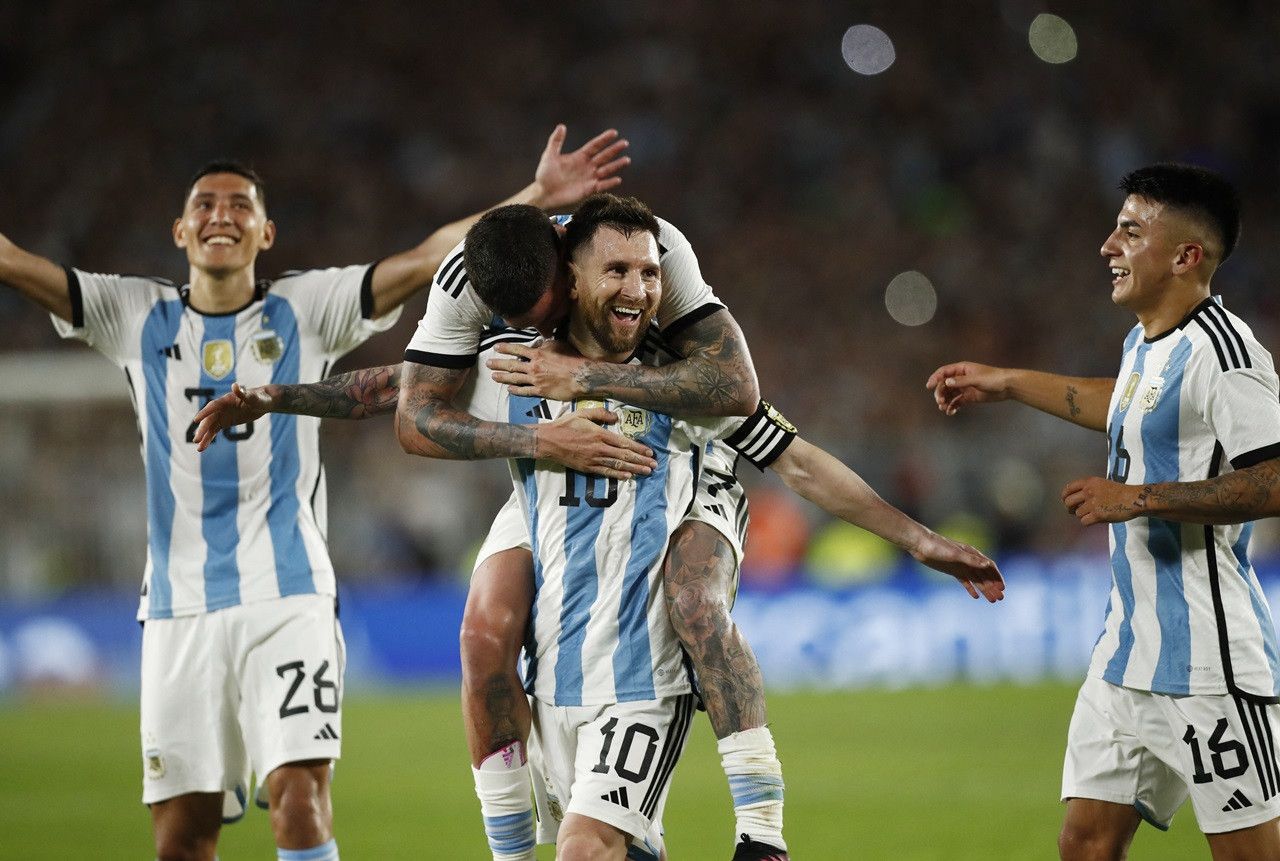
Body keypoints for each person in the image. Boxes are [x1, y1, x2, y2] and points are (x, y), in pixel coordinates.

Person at [195, 197, 1004, 859]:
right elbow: (392, 393)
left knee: (677, 644)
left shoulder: (681, 387)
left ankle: (763, 833)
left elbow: (794, 458)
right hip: (561, 671)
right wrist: (273, 397)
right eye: (617, 272)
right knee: (483, 639)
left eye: (647, 273)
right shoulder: (511, 368)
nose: (639, 288)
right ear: (571, 280)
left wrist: (918, 538)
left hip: (642, 682)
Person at [0, 124, 632, 861]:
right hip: (176, 608)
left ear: (266, 231)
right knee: (182, 836)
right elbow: (15, 262)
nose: (221, 215)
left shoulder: (307, 306)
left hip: (288, 591)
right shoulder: (130, 311)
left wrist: (535, 197)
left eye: (241, 205)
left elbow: (431, 258)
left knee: (300, 799)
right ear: (179, 228)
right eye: (204, 204)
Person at [927, 163, 1280, 860]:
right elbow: (1121, 401)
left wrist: (1139, 498)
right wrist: (1007, 381)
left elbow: (1273, 479)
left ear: (1186, 256)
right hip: (1125, 656)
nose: (1106, 246)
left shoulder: (1228, 354)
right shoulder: (1146, 343)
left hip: (1210, 664)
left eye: (1129, 231)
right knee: (1085, 845)